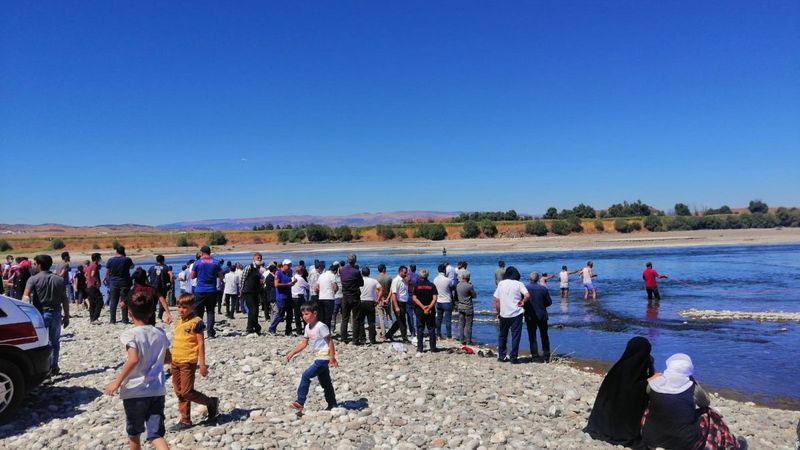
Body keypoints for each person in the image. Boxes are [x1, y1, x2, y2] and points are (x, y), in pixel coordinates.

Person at [103, 293, 171, 450]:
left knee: (134, 434)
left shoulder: (130, 334)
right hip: (156, 390)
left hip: (135, 391)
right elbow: (168, 358)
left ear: (129, 313)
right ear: (151, 312)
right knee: (156, 434)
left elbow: (133, 359)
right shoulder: (159, 332)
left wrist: (117, 382)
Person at [642, 354, 741, 450]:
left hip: (651, 440)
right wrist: (693, 380)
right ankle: (729, 443)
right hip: (685, 444)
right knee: (708, 412)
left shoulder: (655, 384)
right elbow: (705, 403)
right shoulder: (692, 387)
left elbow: (649, 394)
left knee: (649, 408)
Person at [584, 337, 654, 449]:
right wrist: (651, 380)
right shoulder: (638, 367)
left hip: (603, 423)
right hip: (623, 429)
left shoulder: (618, 367)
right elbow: (634, 391)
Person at [169, 293, 219, 430]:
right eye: (179, 307)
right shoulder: (178, 321)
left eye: (185, 307)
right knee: (179, 391)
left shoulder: (196, 322)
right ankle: (185, 420)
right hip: (175, 360)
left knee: (186, 391)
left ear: (193, 307)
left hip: (188, 361)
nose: (181, 310)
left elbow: (201, 343)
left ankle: (210, 402)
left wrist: (202, 364)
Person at [285, 302, 338, 411]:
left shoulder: (321, 326)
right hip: (317, 357)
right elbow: (304, 343)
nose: (304, 317)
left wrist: (332, 357)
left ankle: (300, 402)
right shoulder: (307, 327)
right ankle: (332, 404)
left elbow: (330, 341)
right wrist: (292, 352)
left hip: (323, 358)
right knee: (326, 383)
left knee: (306, 375)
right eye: (303, 314)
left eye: (307, 314)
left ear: (315, 313)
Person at [23, 254, 70, 376]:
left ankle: (44, 370)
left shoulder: (33, 279)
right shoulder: (59, 279)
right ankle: (54, 367)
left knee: (42, 344)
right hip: (56, 313)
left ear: (39, 265)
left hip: (39, 315)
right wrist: (67, 316)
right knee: (55, 342)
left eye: (35, 264)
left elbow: (25, 298)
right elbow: (65, 299)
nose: (34, 266)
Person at [492, 266, 529, 363]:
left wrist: (498, 312)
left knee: (502, 335)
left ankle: (502, 356)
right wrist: (523, 301)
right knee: (515, 336)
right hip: (516, 313)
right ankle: (513, 357)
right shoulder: (519, 283)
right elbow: (527, 295)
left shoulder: (501, 283)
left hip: (504, 314)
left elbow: (497, 301)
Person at [190, 246, 223, 338]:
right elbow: (221, 276)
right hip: (211, 290)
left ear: (201, 252)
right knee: (210, 311)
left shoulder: (197, 262)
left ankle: (198, 331)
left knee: (198, 312)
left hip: (200, 290)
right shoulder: (216, 262)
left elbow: (192, 276)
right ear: (209, 252)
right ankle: (210, 332)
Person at [524, 272, 553, 361]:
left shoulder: (525, 289)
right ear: (538, 279)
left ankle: (535, 355)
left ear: (529, 279)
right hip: (542, 314)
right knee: (544, 335)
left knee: (532, 336)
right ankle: (546, 354)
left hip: (530, 315)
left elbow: (522, 301)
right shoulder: (543, 289)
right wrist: (542, 305)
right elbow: (549, 302)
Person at [106, 246, 135, 324]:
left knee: (113, 301)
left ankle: (112, 320)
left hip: (113, 282)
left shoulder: (111, 260)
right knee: (124, 301)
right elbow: (132, 267)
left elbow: (108, 272)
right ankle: (124, 319)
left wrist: (107, 279)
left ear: (116, 251)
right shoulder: (127, 259)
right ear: (123, 251)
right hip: (125, 282)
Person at [338, 254, 364, 343]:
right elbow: (361, 283)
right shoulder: (356, 271)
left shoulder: (342, 270)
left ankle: (343, 338)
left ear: (347, 260)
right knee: (356, 318)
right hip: (354, 296)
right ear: (355, 261)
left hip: (345, 296)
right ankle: (355, 339)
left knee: (345, 318)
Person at [411, 269, 438, 353]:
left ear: (420, 276)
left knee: (420, 328)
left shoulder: (417, 286)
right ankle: (433, 348)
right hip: (430, 310)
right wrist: (429, 307)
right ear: (428, 276)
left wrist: (423, 307)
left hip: (419, 310)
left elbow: (414, 298)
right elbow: (435, 298)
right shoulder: (432, 285)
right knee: (431, 328)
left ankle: (420, 348)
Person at [269, 259, 297, 335]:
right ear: (283, 265)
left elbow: (290, 283)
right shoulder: (278, 273)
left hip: (288, 295)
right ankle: (272, 328)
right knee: (280, 315)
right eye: (288, 265)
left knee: (290, 314)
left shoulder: (289, 272)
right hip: (281, 297)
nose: (289, 267)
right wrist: (288, 284)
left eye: (290, 265)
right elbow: (276, 285)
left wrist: (293, 282)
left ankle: (288, 330)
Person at [355, 266, 381, 345]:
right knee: (371, 322)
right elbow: (381, 289)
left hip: (361, 301)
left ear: (361, 273)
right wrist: (378, 299)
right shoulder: (373, 280)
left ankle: (363, 339)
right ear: (369, 273)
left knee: (361, 322)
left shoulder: (358, 281)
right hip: (370, 302)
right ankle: (372, 339)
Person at [384, 266, 410, 343]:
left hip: (404, 303)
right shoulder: (396, 280)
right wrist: (396, 306)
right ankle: (405, 338)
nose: (406, 274)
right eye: (405, 272)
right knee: (402, 322)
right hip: (398, 303)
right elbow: (393, 294)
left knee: (399, 321)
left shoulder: (404, 280)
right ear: (400, 272)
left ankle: (388, 335)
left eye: (406, 272)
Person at [239, 253, 263, 334]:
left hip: (256, 292)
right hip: (248, 291)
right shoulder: (249, 267)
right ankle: (255, 327)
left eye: (260, 258)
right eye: (258, 258)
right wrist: (241, 291)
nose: (259, 259)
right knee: (252, 310)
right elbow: (243, 278)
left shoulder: (258, 268)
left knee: (255, 311)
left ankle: (251, 328)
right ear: (254, 259)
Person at [148, 255, 173, 322]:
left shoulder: (152, 267)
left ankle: (152, 315)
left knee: (153, 301)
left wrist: (148, 283)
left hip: (153, 286)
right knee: (162, 301)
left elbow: (147, 275)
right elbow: (171, 274)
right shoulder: (165, 267)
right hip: (162, 286)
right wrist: (170, 283)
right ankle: (159, 316)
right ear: (163, 260)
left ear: (156, 260)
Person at [433, 264, 453, 339]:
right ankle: (448, 335)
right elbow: (452, 286)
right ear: (444, 270)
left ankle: (438, 334)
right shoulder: (448, 280)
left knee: (439, 319)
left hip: (438, 301)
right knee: (448, 320)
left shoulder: (435, 279)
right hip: (447, 301)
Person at [315, 263, 338, 329]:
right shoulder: (332, 275)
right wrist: (335, 292)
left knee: (321, 317)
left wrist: (320, 293)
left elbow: (316, 288)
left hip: (321, 298)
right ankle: (327, 332)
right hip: (329, 298)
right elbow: (335, 287)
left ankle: (321, 331)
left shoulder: (321, 275)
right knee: (328, 317)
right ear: (335, 271)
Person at [455, 272, 476, 345]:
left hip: (460, 306)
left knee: (461, 324)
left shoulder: (458, 285)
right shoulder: (469, 286)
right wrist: (472, 287)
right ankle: (468, 341)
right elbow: (474, 296)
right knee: (468, 325)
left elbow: (456, 296)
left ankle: (461, 339)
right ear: (468, 278)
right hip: (468, 307)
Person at [290, 264, 310, 333]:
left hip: (293, 297)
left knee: (296, 314)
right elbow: (308, 286)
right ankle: (305, 329)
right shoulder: (301, 279)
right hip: (300, 297)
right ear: (301, 272)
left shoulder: (292, 278)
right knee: (303, 313)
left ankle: (299, 330)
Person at [375, 263, 393, 339]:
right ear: (384, 269)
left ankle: (383, 332)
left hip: (380, 300)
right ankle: (391, 333)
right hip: (387, 299)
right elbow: (392, 289)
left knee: (381, 318)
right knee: (389, 317)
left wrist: (381, 299)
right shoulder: (389, 278)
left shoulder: (376, 279)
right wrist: (388, 298)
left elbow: (376, 291)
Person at [86, 253, 104, 324]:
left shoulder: (90, 265)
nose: (100, 259)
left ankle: (92, 318)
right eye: (99, 257)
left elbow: (86, 275)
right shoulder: (94, 265)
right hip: (93, 286)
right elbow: (92, 274)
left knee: (92, 303)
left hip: (89, 286)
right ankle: (95, 318)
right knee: (100, 301)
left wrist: (89, 280)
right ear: (96, 258)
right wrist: (98, 282)